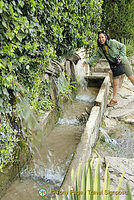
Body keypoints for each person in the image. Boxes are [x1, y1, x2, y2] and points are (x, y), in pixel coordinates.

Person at [83, 30, 134, 107]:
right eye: (99, 38)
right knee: (115, 83)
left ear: (106, 37)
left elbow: (123, 47)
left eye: (102, 37)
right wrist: (87, 62)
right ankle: (114, 100)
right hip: (114, 66)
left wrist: (121, 57)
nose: (101, 39)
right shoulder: (101, 49)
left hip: (123, 62)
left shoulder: (113, 42)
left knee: (131, 77)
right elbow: (96, 57)